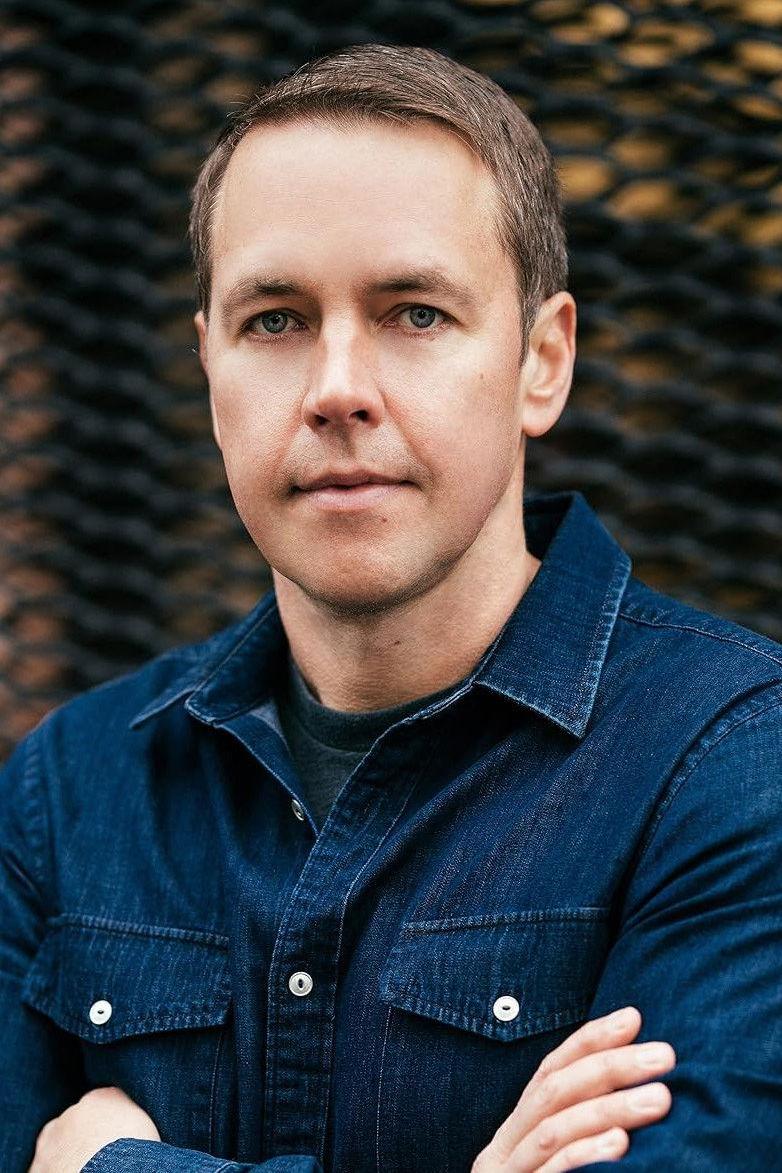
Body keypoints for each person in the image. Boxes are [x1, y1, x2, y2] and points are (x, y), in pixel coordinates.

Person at [2, 41, 781, 1173]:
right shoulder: (70, 789)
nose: (335, 390)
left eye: (413, 313)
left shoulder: (730, 764)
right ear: (209, 369)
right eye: (275, 320)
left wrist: (116, 1166)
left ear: (541, 362)